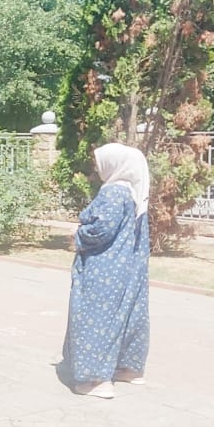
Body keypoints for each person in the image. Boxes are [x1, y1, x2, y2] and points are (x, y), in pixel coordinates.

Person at [62, 143, 151, 400]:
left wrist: (78, 235)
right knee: (127, 315)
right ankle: (128, 369)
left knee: (96, 318)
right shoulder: (134, 193)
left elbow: (101, 230)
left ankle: (96, 380)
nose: (97, 167)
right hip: (128, 266)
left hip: (105, 268)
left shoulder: (113, 192)